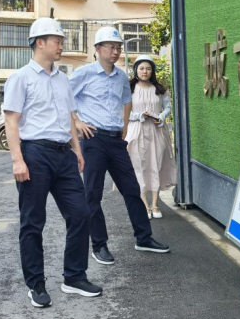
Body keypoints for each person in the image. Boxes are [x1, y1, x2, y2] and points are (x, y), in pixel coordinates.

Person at [3, 17, 102, 308]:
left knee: (80, 214)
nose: (61, 45)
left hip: (64, 155)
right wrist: (17, 160)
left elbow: (70, 118)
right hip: (35, 154)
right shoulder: (21, 78)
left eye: (61, 41)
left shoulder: (62, 79)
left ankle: (74, 276)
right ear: (39, 43)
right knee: (33, 222)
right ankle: (35, 284)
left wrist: (77, 151)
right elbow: (11, 121)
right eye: (57, 40)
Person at [70, 26, 170, 266]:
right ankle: (99, 245)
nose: (115, 51)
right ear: (97, 49)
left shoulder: (121, 77)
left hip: (116, 140)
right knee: (93, 193)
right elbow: (63, 97)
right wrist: (77, 121)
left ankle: (143, 238)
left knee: (132, 188)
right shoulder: (83, 73)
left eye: (118, 47)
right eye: (111, 47)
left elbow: (127, 101)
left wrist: (124, 127)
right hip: (93, 139)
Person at [126, 55, 177, 219]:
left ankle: (155, 205)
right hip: (136, 130)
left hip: (156, 130)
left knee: (156, 165)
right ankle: (144, 205)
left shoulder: (160, 89)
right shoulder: (129, 89)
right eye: (141, 68)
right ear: (136, 70)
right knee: (138, 166)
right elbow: (123, 112)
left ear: (152, 71)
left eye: (148, 68)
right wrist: (139, 115)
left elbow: (167, 107)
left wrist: (161, 116)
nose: (144, 71)